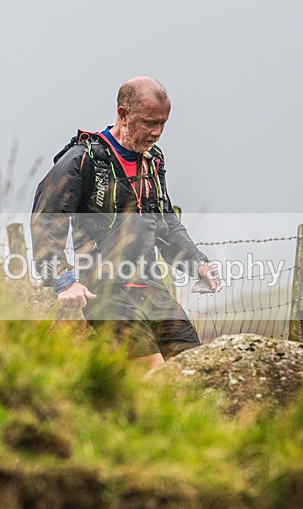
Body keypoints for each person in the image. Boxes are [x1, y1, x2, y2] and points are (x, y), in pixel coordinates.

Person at [31, 76, 221, 368]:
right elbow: (46, 219)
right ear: (123, 114)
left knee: (194, 369)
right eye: (149, 123)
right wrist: (63, 281)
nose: (157, 132)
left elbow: (166, 224)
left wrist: (197, 263)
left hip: (151, 287)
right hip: (105, 290)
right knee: (153, 371)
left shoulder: (153, 160)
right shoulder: (84, 159)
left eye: (163, 124)